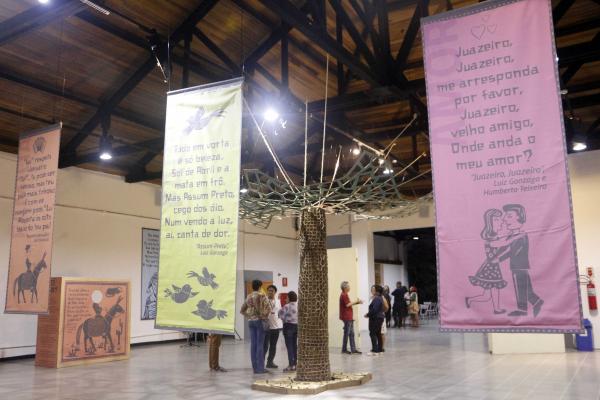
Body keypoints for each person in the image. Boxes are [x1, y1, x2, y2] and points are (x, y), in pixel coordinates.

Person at [496, 204, 543, 317]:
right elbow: (504, 247)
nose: (504, 219)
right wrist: (496, 255)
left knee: (520, 288)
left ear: (519, 217)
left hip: (519, 266)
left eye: (509, 216)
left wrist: (499, 259)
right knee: (526, 289)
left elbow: (512, 252)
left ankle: (522, 310)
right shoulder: (513, 235)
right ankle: (537, 301)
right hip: (518, 266)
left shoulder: (521, 236)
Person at [466, 208, 513, 314]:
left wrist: (510, 236)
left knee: (486, 296)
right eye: (496, 219)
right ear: (490, 222)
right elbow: (503, 244)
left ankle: (470, 300)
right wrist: (513, 237)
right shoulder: (490, 239)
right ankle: (497, 309)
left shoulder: (496, 237)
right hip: (490, 268)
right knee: (495, 287)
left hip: (493, 267)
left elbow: (503, 247)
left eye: (499, 219)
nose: (501, 221)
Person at [240, 279, 270, 374]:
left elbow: (242, 310)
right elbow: (269, 309)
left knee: (253, 345)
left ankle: (255, 368)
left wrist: (249, 316)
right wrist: (263, 316)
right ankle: (260, 368)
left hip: (251, 322)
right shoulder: (262, 296)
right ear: (260, 286)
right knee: (260, 345)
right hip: (259, 322)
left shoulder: (248, 296)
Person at [339, 281, 363, 355]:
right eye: (348, 286)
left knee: (351, 334)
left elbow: (349, 304)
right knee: (347, 334)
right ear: (345, 288)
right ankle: (344, 349)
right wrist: (356, 301)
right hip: (347, 317)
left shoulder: (345, 294)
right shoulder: (344, 295)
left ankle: (353, 349)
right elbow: (347, 305)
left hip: (349, 317)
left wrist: (357, 302)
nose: (349, 287)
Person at [278, 291, 298, 372]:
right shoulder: (298, 305)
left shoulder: (287, 306)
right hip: (296, 326)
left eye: (287, 297)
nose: (286, 299)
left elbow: (280, 315)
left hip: (288, 326)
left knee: (289, 346)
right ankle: (295, 364)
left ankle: (291, 365)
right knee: (294, 346)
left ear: (289, 298)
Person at [263, 285, 282, 369]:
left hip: (275, 327)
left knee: (273, 346)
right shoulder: (264, 300)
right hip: (266, 327)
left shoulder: (278, 301)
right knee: (264, 346)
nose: (270, 292)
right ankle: (261, 362)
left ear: (275, 292)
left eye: (272, 291)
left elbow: (279, 312)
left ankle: (270, 362)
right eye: (269, 290)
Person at [364, 285, 385, 355]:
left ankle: (375, 350)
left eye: (373, 289)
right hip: (378, 317)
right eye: (372, 289)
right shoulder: (378, 298)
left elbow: (374, 309)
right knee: (378, 333)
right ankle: (380, 349)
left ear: (377, 291)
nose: (372, 291)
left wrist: (368, 314)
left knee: (372, 333)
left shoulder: (377, 298)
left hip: (376, 318)